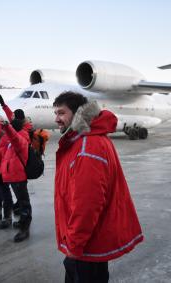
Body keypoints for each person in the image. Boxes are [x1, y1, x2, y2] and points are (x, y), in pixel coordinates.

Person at [53, 91, 143, 282]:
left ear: (78, 113)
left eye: (61, 113)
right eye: (56, 114)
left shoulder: (88, 147)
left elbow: (87, 204)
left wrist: (74, 246)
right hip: (89, 242)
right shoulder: (85, 140)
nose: (57, 119)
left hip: (85, 247)